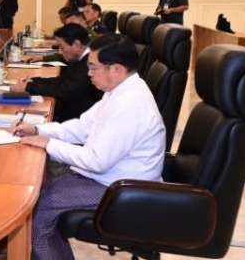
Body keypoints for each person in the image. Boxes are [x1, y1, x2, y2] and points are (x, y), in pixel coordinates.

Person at [12, 35, 165, 260]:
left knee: (35, 212)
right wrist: (39, 131)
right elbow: (83, 127)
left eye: (93, 67)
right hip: (109, 178)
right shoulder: (119, 91)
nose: (89, 73)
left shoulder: (131, 104)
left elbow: (96, 161)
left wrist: (49, 144)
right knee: (38, 190)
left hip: (120, 189)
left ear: (117, 69)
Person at [9, 24, 103, 122]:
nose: (60, 52)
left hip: (78, 119)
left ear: (76, 44)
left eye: (62, 47)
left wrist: (29, 87)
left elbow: (66, 90)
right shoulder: (81, 59)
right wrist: (32, 81)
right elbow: (62, 81)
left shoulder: (89, 63)